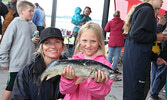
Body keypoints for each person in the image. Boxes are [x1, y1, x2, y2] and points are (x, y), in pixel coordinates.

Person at [122, 0, 167, 100]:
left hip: (135, 60)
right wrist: (156, 37)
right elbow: (136, 34)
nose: (163, 1)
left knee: (136, 93)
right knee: (136, 94)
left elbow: (139, 42)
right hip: (137, 63)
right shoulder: (146, 10)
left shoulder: (143, 9)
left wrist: (154, 57)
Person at [60, 21, 113, 100]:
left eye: (93, 41)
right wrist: (68, 79)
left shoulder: (106, 65)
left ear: (99, 42)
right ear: (79, 40)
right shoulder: (73, 61)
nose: (88, 45)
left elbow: (101, 94)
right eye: (85, 40)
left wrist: (97, 83)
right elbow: (65, 90)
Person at [11, 27, 66, 100]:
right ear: (41, 47)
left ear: (62, 46)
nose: (53, 46)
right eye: (47, 43)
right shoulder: (27, 72)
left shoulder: (71, 69)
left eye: (57, 42)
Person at [0, 1, 38, 100]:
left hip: (29, 65)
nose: (32, 13)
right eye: (30, 11)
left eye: (33, 11)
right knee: (10, 87)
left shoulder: (33, 26)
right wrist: (4, 62)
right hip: (16, 64)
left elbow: (35, 44)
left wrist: (37, 41)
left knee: (25, 89)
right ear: (21, 11)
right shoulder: (15, 23)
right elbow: (5, 44)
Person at [148, 9, 167, 100]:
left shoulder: (162, 19)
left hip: (156, 50)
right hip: (164, 52)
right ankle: (153, 95)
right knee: (160, 75)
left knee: (155, 72)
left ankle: (153, 93)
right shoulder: (163, 21)